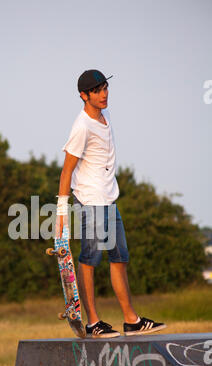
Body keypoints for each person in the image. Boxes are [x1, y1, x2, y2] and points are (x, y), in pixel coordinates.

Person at [56, 69, 166, 338]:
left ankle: (131, 320)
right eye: (97, 91)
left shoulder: (105, 117)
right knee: (90, 260)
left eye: (105, 88)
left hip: (109, 200)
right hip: (90, 201)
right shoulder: (81, 126)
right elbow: (67, 170)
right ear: (84, 96)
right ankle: (93, 322)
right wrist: (61, 213)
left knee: (120, 258)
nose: (104, 94)